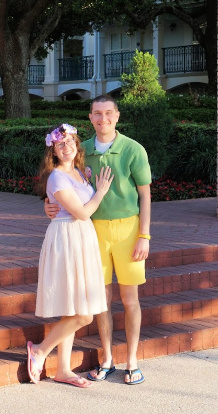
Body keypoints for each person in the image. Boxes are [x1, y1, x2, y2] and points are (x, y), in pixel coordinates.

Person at [45, 95, 152, 385]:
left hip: (128, 231)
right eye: (97, 114)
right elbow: (66, 182)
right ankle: (107, 359)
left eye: (108, 113)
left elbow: (145, 195)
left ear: (117, 116)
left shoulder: (133, 149)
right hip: (93, 233)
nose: (102, 118)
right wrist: (48, 203)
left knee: (130, 299)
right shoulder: (83, 151)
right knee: (101, 301)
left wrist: (144, 235)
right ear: (90, 118)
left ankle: (132, 361)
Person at [27, 123, 114, 388]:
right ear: (52, 149)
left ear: (77, 146)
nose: (67, 148)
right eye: (60, 144)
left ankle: (63, 369)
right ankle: (40, 350)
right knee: (83, 314)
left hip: (82, 238)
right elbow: (83, 212)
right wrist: (100, 192)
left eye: (71, 143)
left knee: (73, 307)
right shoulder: (56, 177)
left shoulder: (77, 172)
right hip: (66, 239)